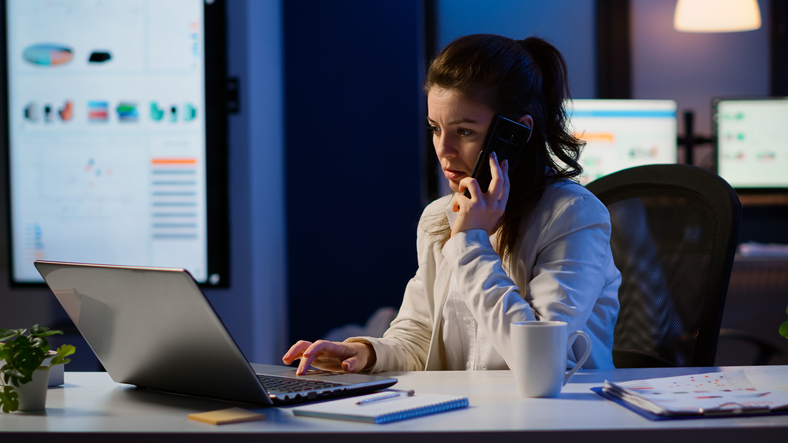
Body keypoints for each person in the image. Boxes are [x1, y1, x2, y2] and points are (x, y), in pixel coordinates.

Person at [283, 34, 621, 375]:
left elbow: (539, 362)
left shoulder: (574, 215)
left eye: (463, 132)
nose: (443, 149)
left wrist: (470, 243)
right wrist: (364, 352)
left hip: (558, 419)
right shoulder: (439, 216)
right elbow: (418, 334)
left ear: (516, 133)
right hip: (464, 415)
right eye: (434, 128)